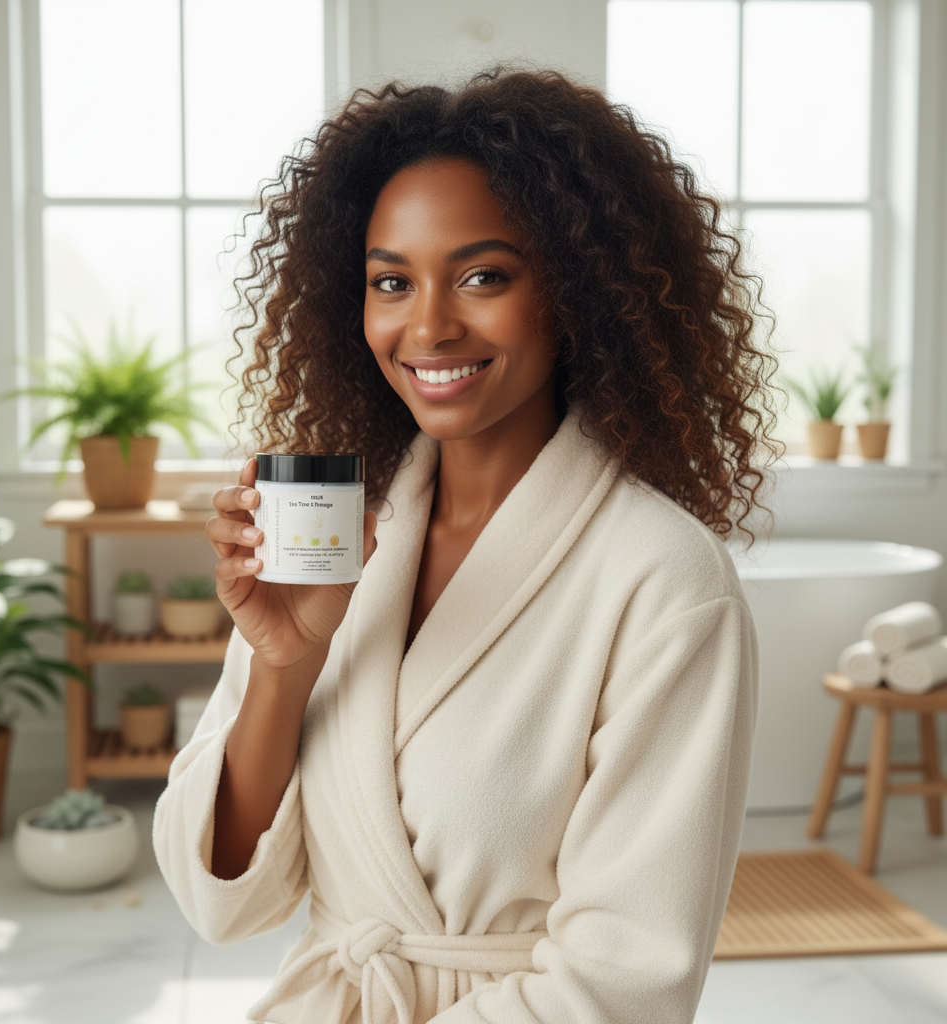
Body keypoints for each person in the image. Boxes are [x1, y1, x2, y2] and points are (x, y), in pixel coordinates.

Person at [152, 66, 779, 1024]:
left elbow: (627, 982)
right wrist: (285, 662)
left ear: (577, 289)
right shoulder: (336, 538)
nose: (429, 324)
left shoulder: (665, 582)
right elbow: (224, 901)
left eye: (485, 275)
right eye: (391, 282)